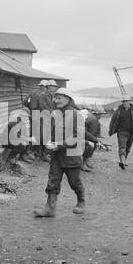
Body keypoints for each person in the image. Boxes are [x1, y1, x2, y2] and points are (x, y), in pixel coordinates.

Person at [34, 88, 89, 217]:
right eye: (55, 98)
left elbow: (76, 137)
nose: (56, 100)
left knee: (74, 182)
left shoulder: (76, 115)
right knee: (53, 181)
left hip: (71, 156)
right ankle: (49, 209)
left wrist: (58, 145)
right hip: (57, 156)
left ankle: (81, 202)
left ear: (68, 99)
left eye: (59, 98)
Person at [108, 94, 133, 170]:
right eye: (123, 101)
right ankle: (122, 161)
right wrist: (111, 130)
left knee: (128, 148)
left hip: (131, 132)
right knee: (122, 147)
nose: (124, 103)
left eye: (126, 101)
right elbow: (112, 121)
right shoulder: (118, 111)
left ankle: (124, 160)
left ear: (129, 102)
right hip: (121, 132)